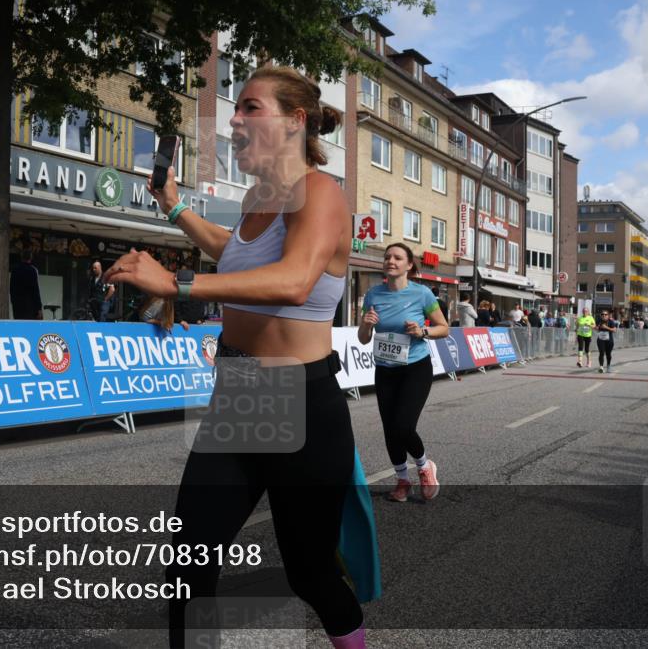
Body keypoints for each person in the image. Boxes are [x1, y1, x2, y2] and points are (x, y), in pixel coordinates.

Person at [101, 66, 370, 648]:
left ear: (295, 121)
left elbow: (295, 278)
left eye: (250, 107)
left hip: (301, 399)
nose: (235, 119)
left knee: (310, 574)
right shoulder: (257, 199)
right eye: (236, 108)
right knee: (188, 569)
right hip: (244, 394)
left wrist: (179, 285)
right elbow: (239, 253)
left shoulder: (323, 194)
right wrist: (175, 210)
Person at [359, 242, 449, 503]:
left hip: (415, 368)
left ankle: (424, 467)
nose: (391, 261)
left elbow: (443, 328)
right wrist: (366, 325)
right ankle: (402, 480)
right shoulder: (373, 295)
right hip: (385, 369)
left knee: (403, 425)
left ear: (409, 265)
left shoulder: (422, 294)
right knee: (390, 429)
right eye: (387, 257)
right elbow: (364, 338)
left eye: (398, 258)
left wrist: (422, 332)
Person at [10, 248, 42, 320]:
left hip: (17, 305)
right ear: (31, 258)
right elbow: (35, 290)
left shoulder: (15, 270)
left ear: (21, 257)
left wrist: (13, 302)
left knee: (19, 327)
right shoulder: (33, 270)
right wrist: (39, 307)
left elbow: (12, 288)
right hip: (30, 305)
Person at [595, 309, 618, 374]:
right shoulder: (598, 321)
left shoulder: (611, 321)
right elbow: (596, 328)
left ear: (608, 315)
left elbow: (614, 330)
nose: (604, 316)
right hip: (600, 340)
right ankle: (601, 367)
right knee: (601, 353)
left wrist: (606, 327)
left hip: (609, 340)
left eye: (605, 314)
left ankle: (608, 366)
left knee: (608, 354)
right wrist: (595, 327)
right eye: (602, 314)